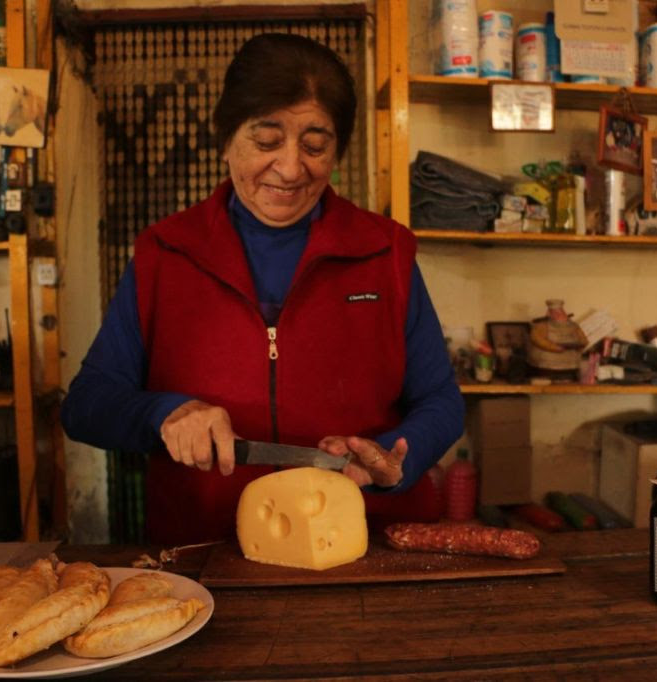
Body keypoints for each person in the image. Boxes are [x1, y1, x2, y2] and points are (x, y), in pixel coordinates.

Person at [61, 33, 465, 545]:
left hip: (367, 545)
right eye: (267, 141)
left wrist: (392, 459)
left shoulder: (384, 252)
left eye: (315, 146)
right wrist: (163, 414)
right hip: (204, 553)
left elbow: (441, 401)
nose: (291, 168)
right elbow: (86, 405)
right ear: (227, 136)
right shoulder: (165, 253)